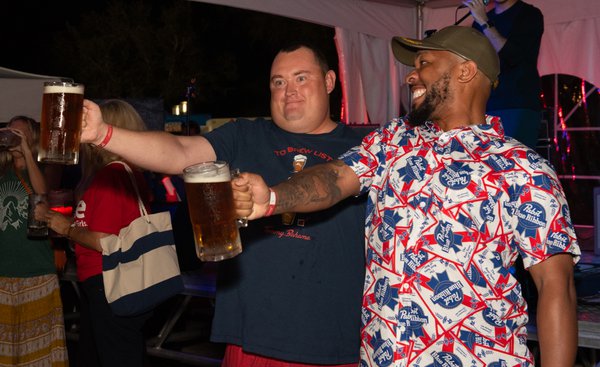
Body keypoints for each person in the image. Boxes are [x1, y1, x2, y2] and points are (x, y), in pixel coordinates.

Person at [232, 26, 581, 367]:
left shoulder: (523, 169)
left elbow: (556, 288)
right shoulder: (392, 141)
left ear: (465, 70)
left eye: (424, 63)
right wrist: (275, 198)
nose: (410, 77)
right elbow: (333, 178)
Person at [78, 44, 366, 366]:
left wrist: (271, 198)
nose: (289, 91)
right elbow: (177, 151)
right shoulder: (245, 134)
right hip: (250, 338)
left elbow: (341, 189)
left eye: (301, 78)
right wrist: (104, 134)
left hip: (331, 342)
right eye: (278, 82)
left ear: (329, 81)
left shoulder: (363, 148)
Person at [39, 100, 152, 367]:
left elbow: (105, 240)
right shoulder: (126, 173)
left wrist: (65, 227)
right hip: (116, 280)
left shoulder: (112, 176)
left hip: (109, 280)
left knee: (116, 355)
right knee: (103, 352)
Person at [0, 116, 68, 366]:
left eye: (21, 133)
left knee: (36, 354)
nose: (14, 137)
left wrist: (27, 153)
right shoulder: (2, 171)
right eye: (10, 132)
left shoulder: (46, 168)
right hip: (4, 272)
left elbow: (42, 196)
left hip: (36, 270)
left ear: (32, 138)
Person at [464, 0, 544, 149]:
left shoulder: (529, 15)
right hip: (486, 106)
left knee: (514, 164)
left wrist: (484, 21)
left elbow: (513, 56)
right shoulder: (480, 21)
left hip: (517, 105)